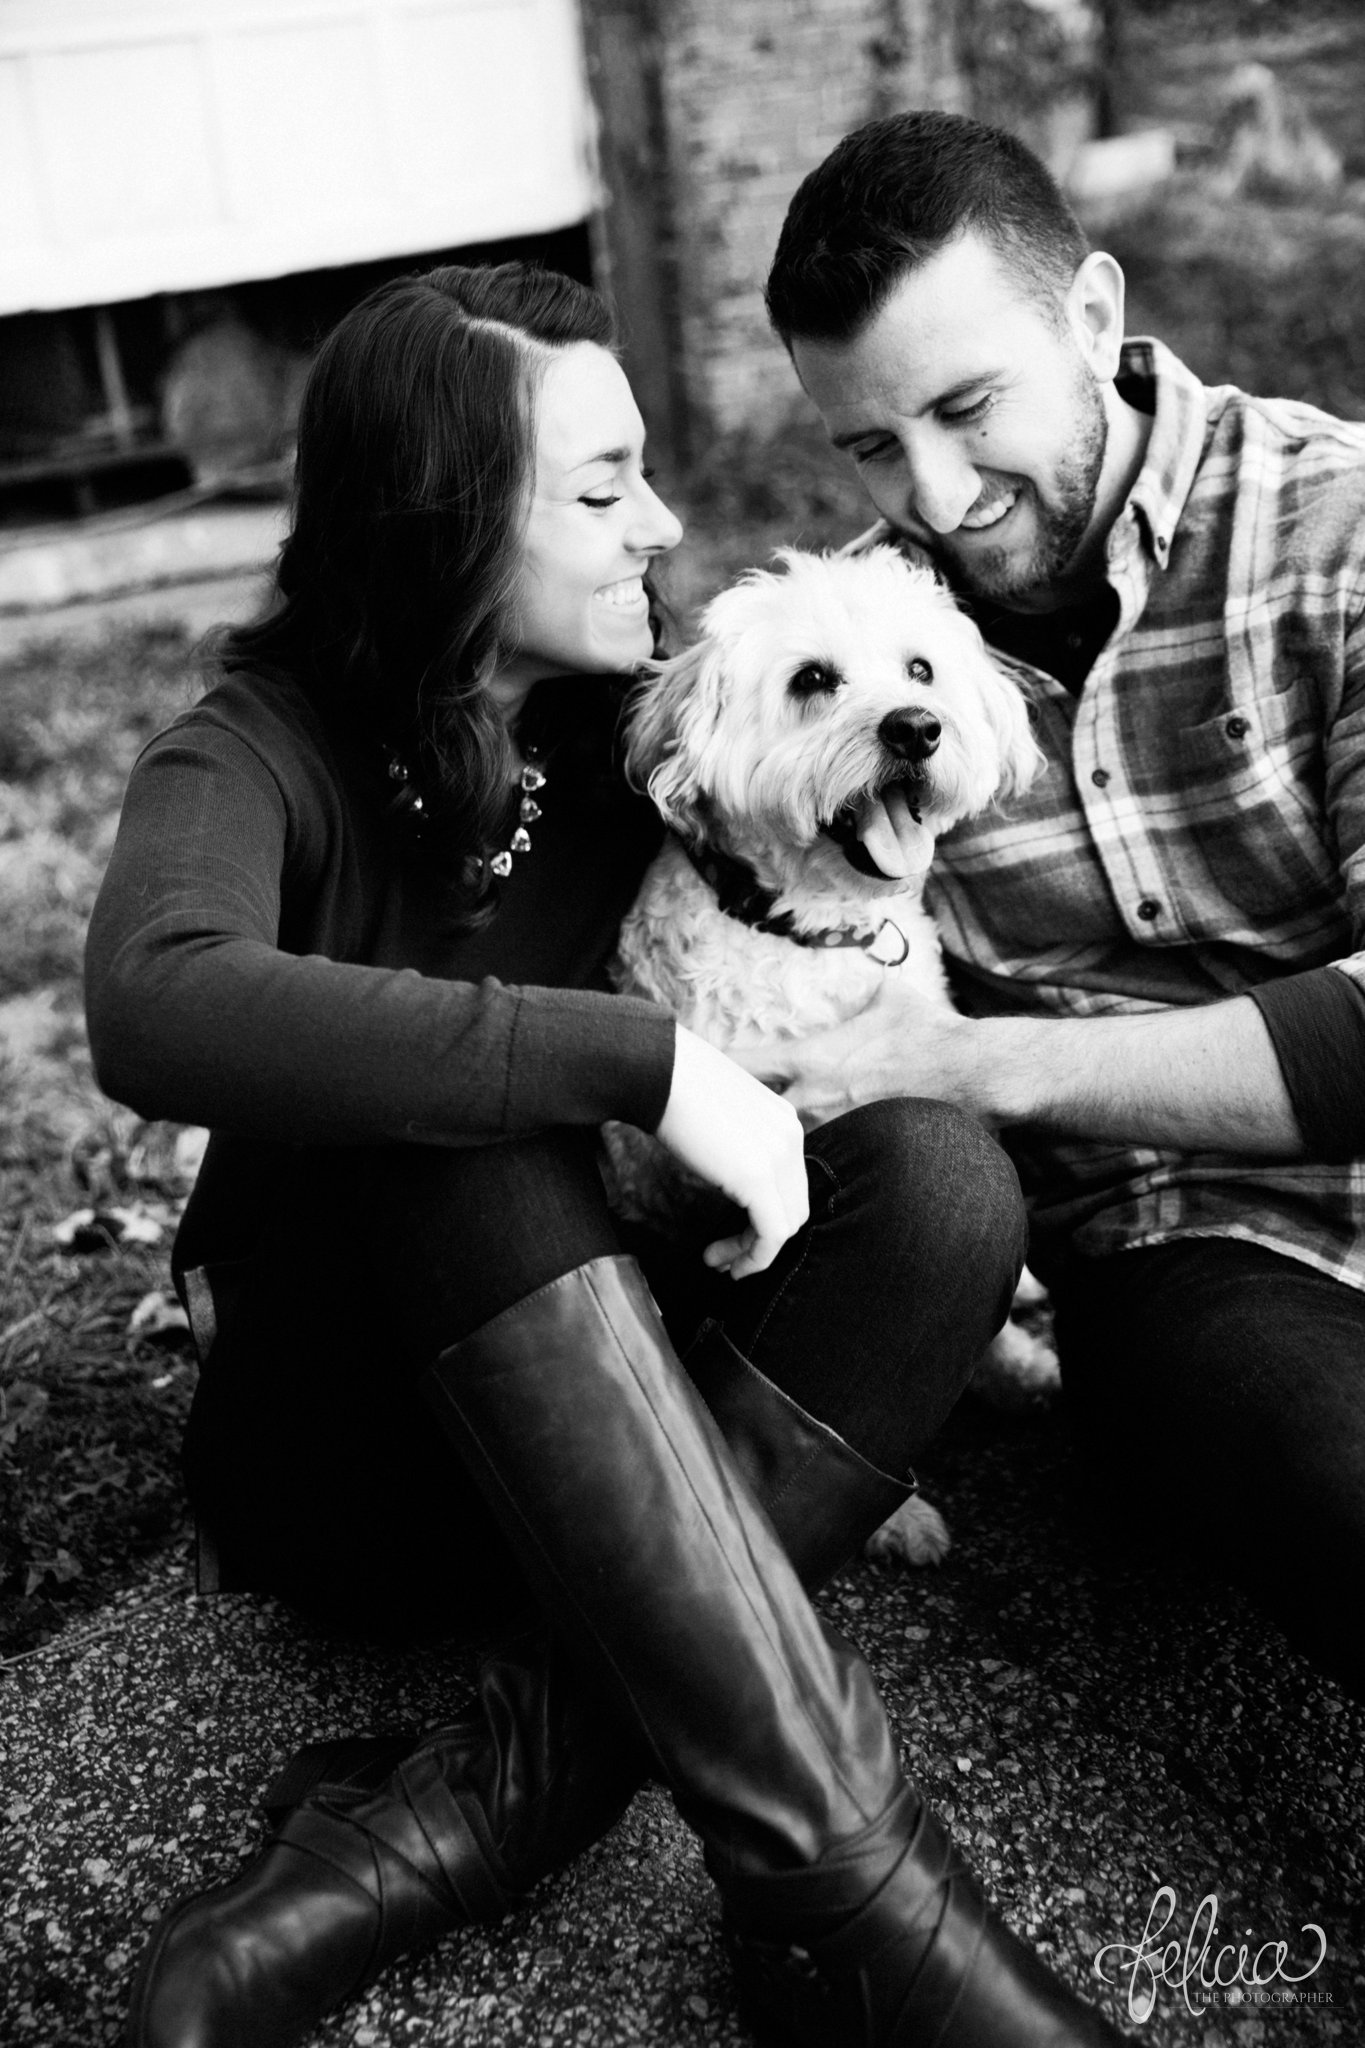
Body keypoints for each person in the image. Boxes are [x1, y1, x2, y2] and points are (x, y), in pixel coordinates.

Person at [85, 262, 1128, 2046]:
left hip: (626, 1459)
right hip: (359, 1451)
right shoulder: (250, 752)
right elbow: (155, 1007)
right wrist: (639, 1060)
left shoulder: (624, 735)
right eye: (597, 489)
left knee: (942, 1180)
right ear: (438, 525)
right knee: (461, 1107)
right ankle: (871, 1917)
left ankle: (445, 1817)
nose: (656, 519)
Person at [758, 108, 1365, 1702]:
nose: (937, 497)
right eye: (873, 446)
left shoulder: (1335, 531)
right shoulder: (852, 668)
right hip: (1196, 1259)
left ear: (1090, 316)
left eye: (966, 408)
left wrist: (982, 1062)